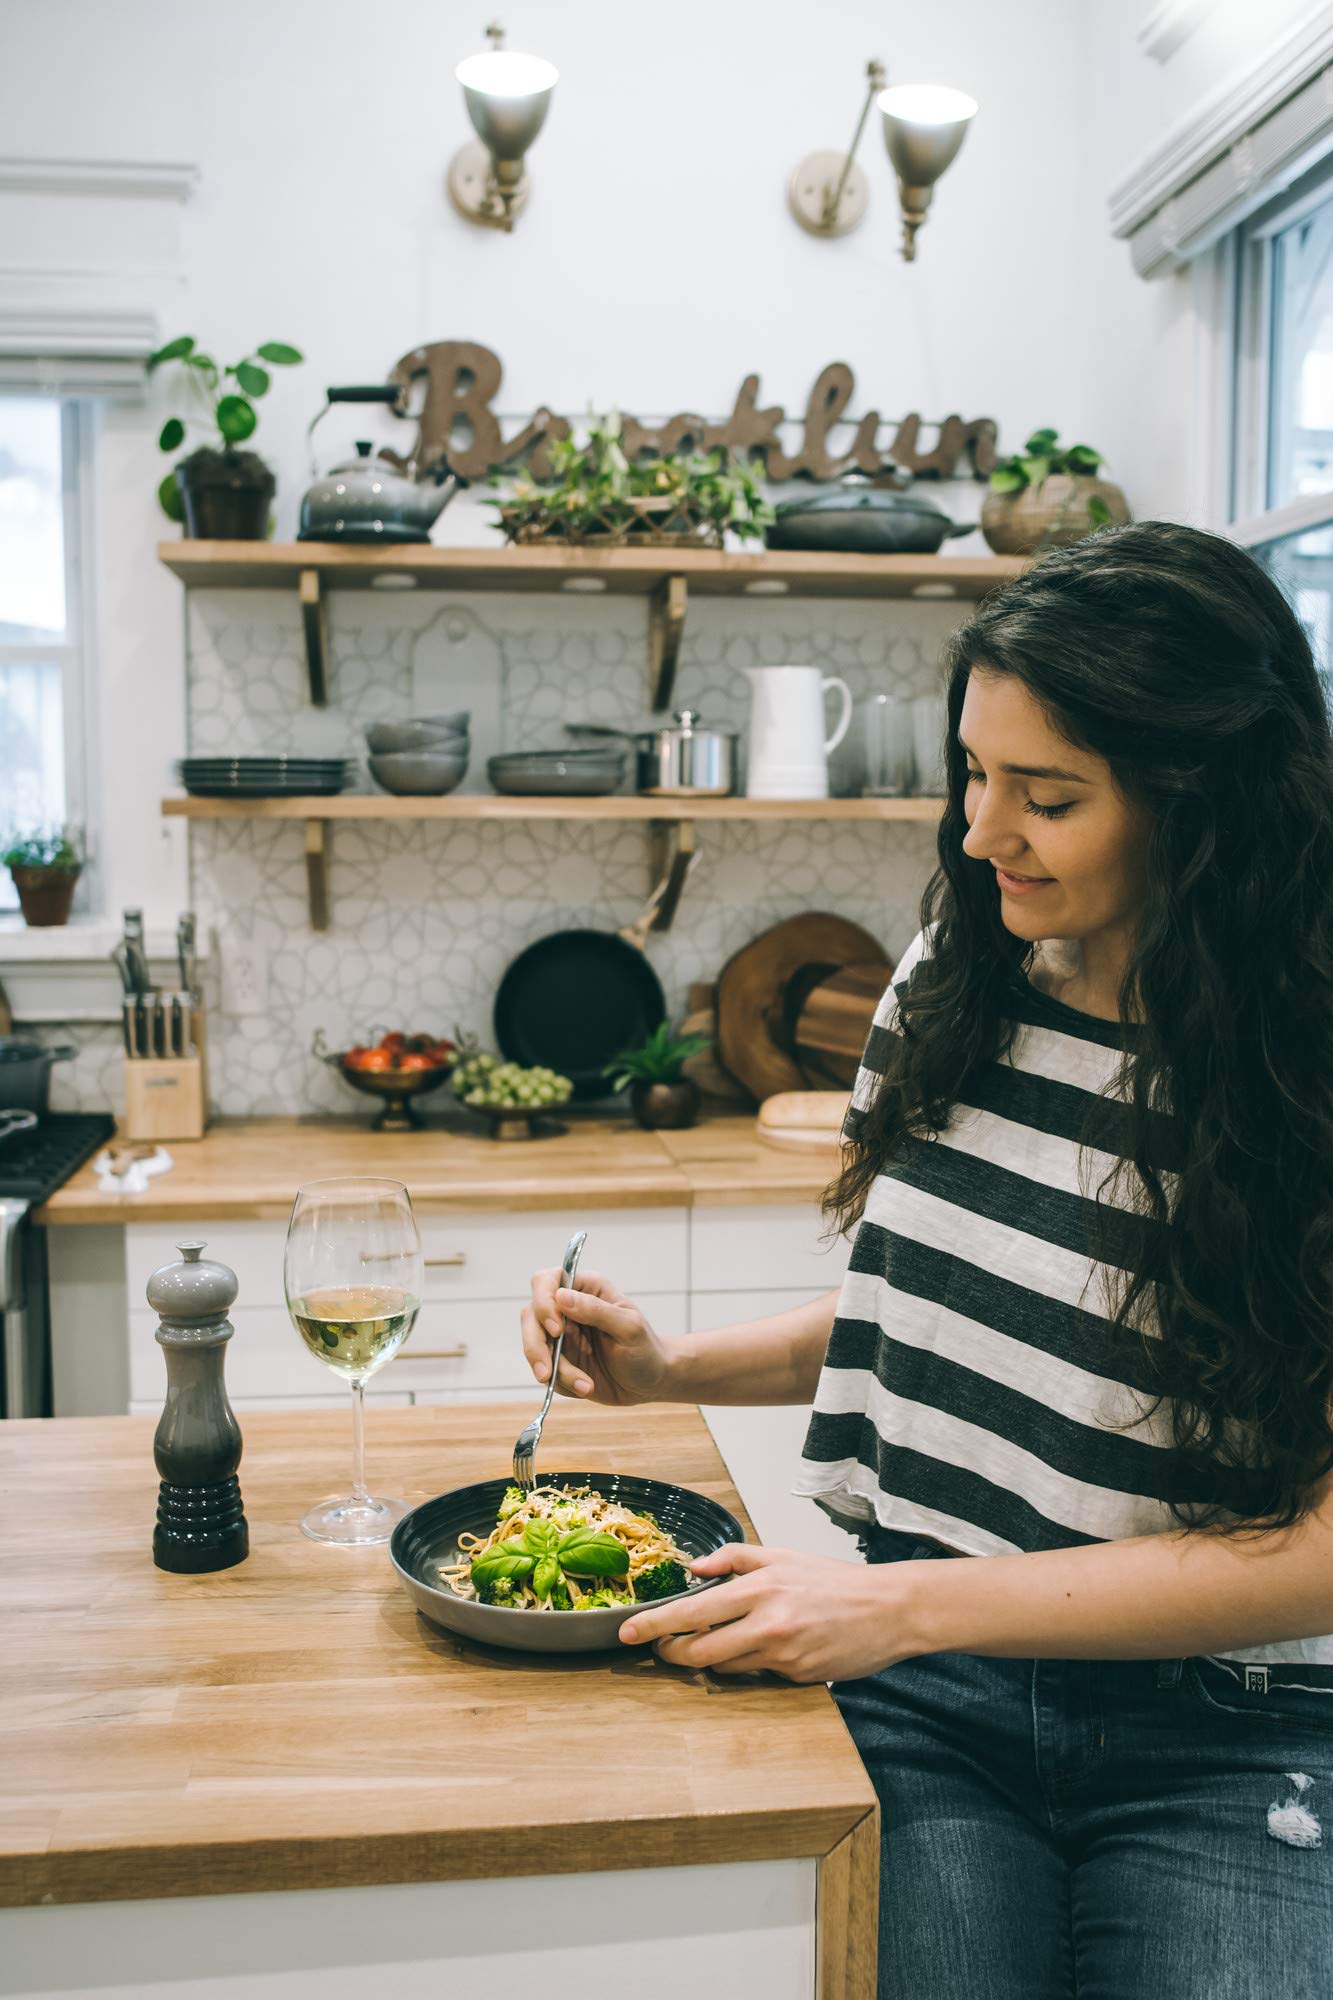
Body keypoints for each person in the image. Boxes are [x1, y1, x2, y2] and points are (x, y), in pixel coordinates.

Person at [520, 520, 1333, 1998]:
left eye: (1047, 796)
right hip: (932, 1695)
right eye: (973, 772)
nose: (977, 830)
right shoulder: (954, 981)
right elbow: (956, 1300)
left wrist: (894, 1606)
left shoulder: (1303, 1075)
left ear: (1202, 801)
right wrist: (667, 1370)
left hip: (1227, 1732)